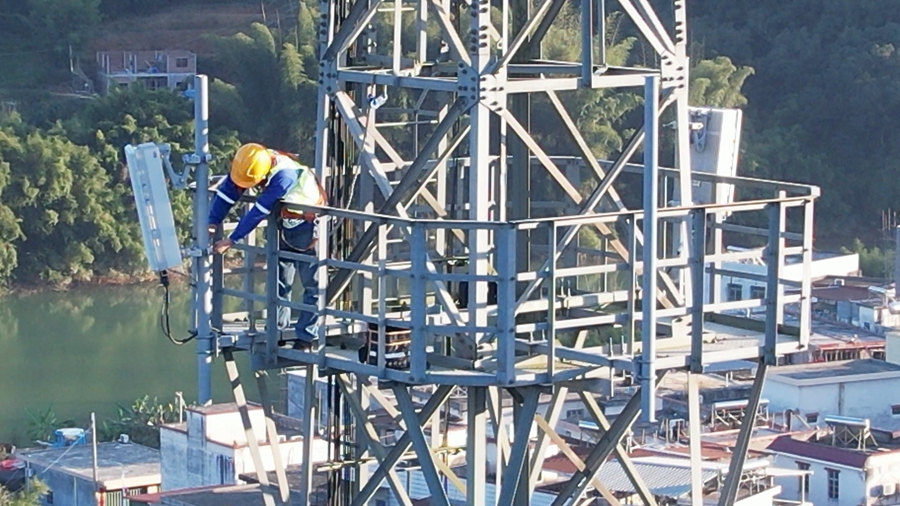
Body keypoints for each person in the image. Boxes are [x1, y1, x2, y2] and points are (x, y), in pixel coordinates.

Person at [208, 143, 326, 349]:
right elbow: (227, 192)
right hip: (284, 225)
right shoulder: (252, 163)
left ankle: (306, 337)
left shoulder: (284, 175)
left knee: (312, 285)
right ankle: (278, 330)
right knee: (279, 281)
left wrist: (232, 239)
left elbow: (258, 211)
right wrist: (212, 221)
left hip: (307, 228)